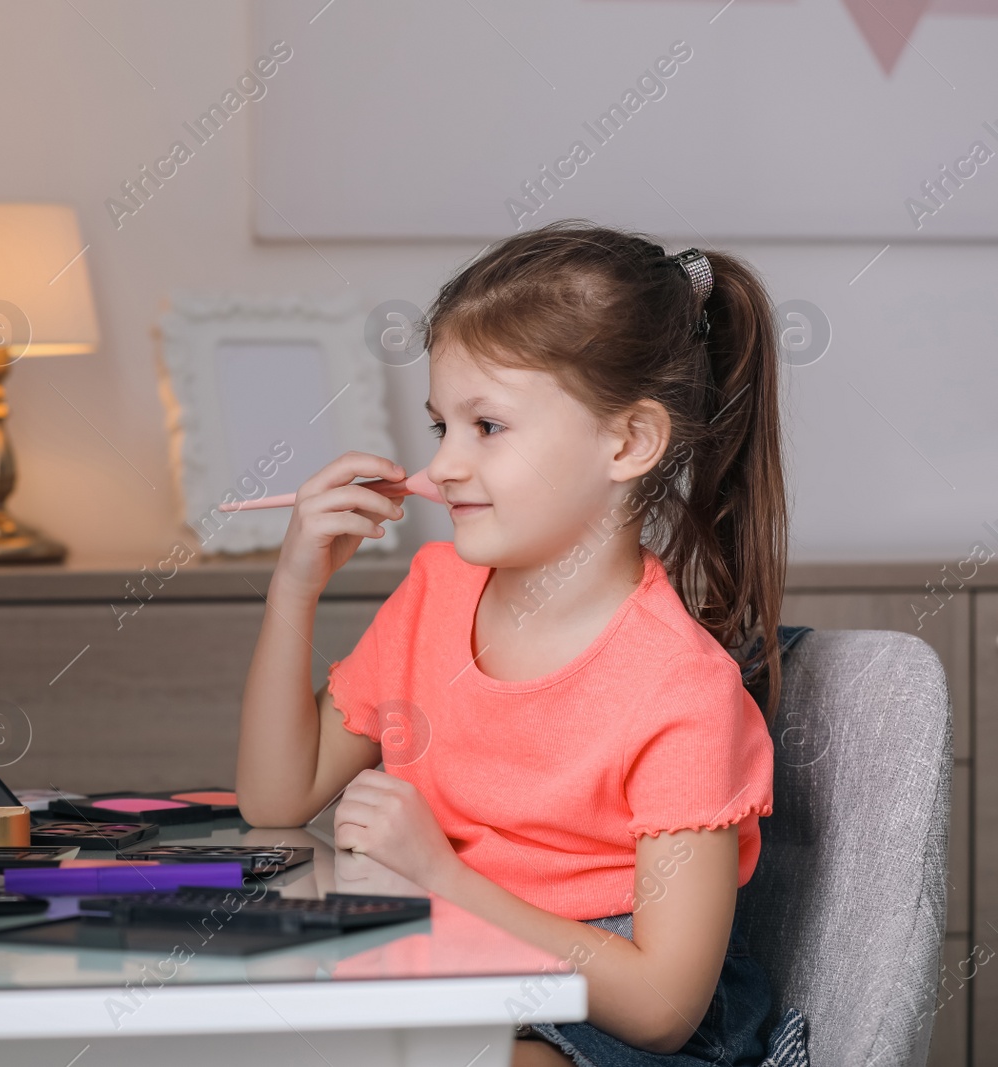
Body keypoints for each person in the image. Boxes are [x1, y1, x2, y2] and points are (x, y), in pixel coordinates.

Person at [236, 219, 795, 1066]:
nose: (445, 466)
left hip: (601, 1012)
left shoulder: (684, 692)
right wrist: (293, 587)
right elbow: (276, 798)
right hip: (453, 970)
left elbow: (663, 1008)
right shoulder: (435, 591)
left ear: (629, 442)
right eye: (440, 428)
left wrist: (446, 876)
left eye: (487, 427)